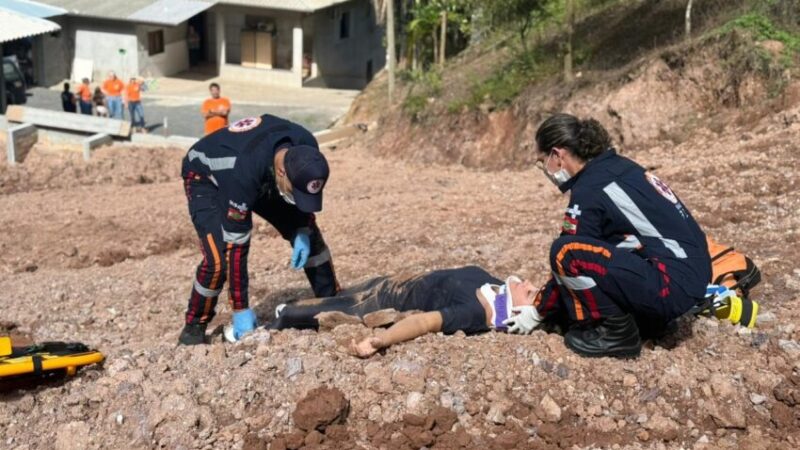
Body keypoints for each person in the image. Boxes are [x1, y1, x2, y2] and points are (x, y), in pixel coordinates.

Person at [526, 113, 711, 358]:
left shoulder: (590, 189)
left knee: (564, 251)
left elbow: (573, 254)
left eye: (543, 162)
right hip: (695, 276)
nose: (546, 170)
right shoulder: (620, 167)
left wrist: (537, 311)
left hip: (670, 287)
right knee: (611, 245)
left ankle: (614, 332)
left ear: (557, 155)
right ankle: (649, 320)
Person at [178, 113, 340, 345]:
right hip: (207, 176)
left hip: (261, 171)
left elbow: (300, 198)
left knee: (309, 234)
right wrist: (240, 308)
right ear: (282, 172)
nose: (297, 199)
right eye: (294, 193)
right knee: (217, 261)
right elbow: (236, 247)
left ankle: (333, 302)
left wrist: (302, 228)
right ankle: (193, 327)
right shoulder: (242, 173)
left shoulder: (307, 147)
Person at [268, 266, 542, 358]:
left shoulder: (475, 313)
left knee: (329, 310)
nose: (528, 283)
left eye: (529, 292)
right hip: (399, 281)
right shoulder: (496, 286)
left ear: (515, 313)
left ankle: (283, 318)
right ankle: (293, 307)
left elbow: (424, 322)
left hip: (387, 301)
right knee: (343, 295)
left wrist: (383, 339)